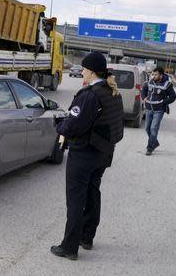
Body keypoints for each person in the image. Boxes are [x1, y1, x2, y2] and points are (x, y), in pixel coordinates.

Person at [51, 51, 124, 260]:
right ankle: (86, 237)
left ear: (91, 71)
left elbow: (73, 125)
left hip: (84, 154)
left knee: (75, 199)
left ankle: (69, 247)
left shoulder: (90, 95)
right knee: (92, 194)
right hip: (103, 154)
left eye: (83, 69)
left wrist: (60, 126)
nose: (82, 71)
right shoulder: (112, 93)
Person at [141, 67, 176, 156]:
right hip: (149, 109)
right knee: (147, 128)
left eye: (156, 74)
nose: (153, 76)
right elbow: (143, 90)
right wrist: (144, 97)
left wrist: (163, 102)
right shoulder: (149, 82)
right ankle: (155, 143)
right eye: (153, 74)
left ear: (161, 75)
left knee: (153, 129)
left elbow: (173, 97)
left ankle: (150, 148)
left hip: (158, 110)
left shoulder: (167, 84)